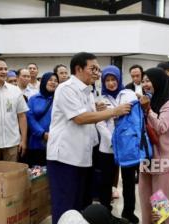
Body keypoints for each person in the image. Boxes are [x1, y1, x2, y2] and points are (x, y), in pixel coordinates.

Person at [46, 52, 131, 224]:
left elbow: (89, 116)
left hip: (82, 157)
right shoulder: (67, 88)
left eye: (98, 69)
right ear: (78, 69)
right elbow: (80, 118)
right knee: (65, 208)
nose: (97, 73)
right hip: (65, 158)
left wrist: (97, 109)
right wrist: (114, 111)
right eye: (93, 68)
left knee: (79, 208)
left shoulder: (88, 91)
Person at [139, 67, 169, 224]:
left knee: (162, 201)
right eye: (143, 81)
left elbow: (161, 127)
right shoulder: (148, 101)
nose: (145, 84)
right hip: (148, 157)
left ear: (159, 82)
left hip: (167, 160)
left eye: (148, 80)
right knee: (147, 199)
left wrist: (148, 110)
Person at [96, 65, 139, 223]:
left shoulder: (128, 94)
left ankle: (129, 212)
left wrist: (124, 141)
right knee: (105, 181)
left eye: (113, 79)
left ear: (119, 79)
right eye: (107, 80)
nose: (111, 83)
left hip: (127, 146)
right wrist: (113, 141)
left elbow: (134, 118)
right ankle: (105, 210)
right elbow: (100, 123)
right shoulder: (100, 99)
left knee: (128, 182)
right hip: (107, 148)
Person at [27, 72, 58, 167]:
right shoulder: (33, 99)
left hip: (56, 141)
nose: (53, 82)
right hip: (37, 141)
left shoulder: (60, 98)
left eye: (56, 81)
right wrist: (42, 134)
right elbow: (30, 118)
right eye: (50, 80)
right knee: (38, 174)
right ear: (44, 81)